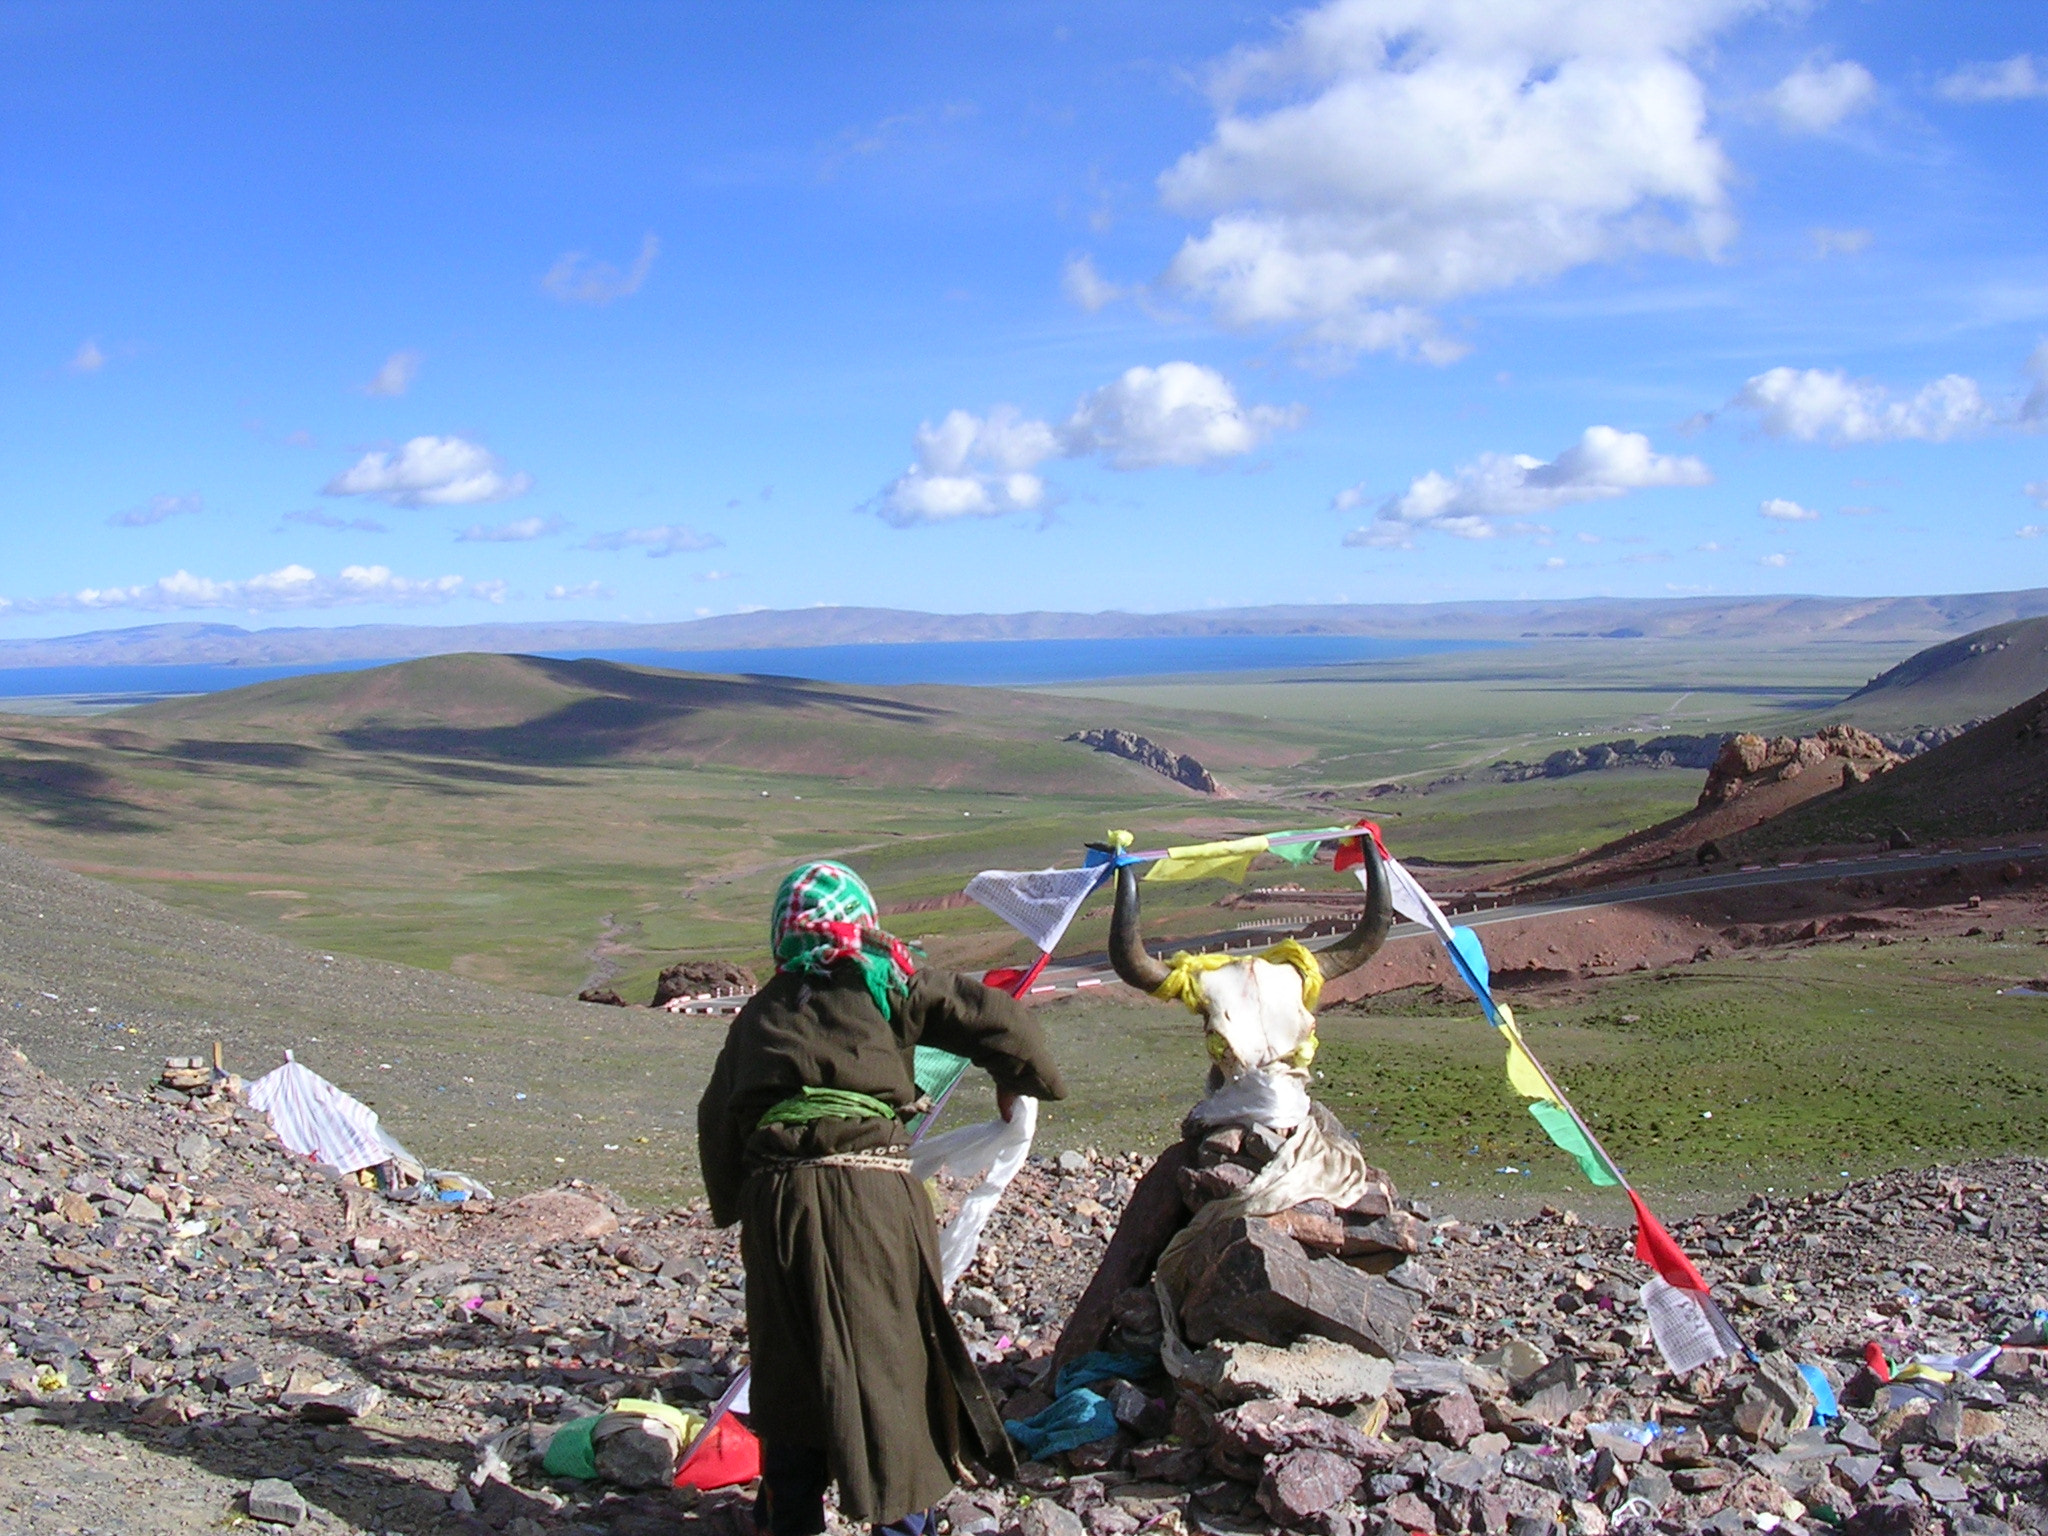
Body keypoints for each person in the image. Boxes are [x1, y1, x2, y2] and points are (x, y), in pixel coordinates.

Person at [698, 860, 1066, 1536]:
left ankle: (790, 1515)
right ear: (859, 919)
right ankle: (903, 1521)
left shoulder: (757, 1014)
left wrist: (740, 1204)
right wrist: (1020, 1081)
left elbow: (716, 1121)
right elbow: (1003, 1021)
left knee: (789, 1368)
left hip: (780, 1207)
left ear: (784, 930)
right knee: (894, 1357)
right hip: (874, 1199)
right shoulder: (887, 981)